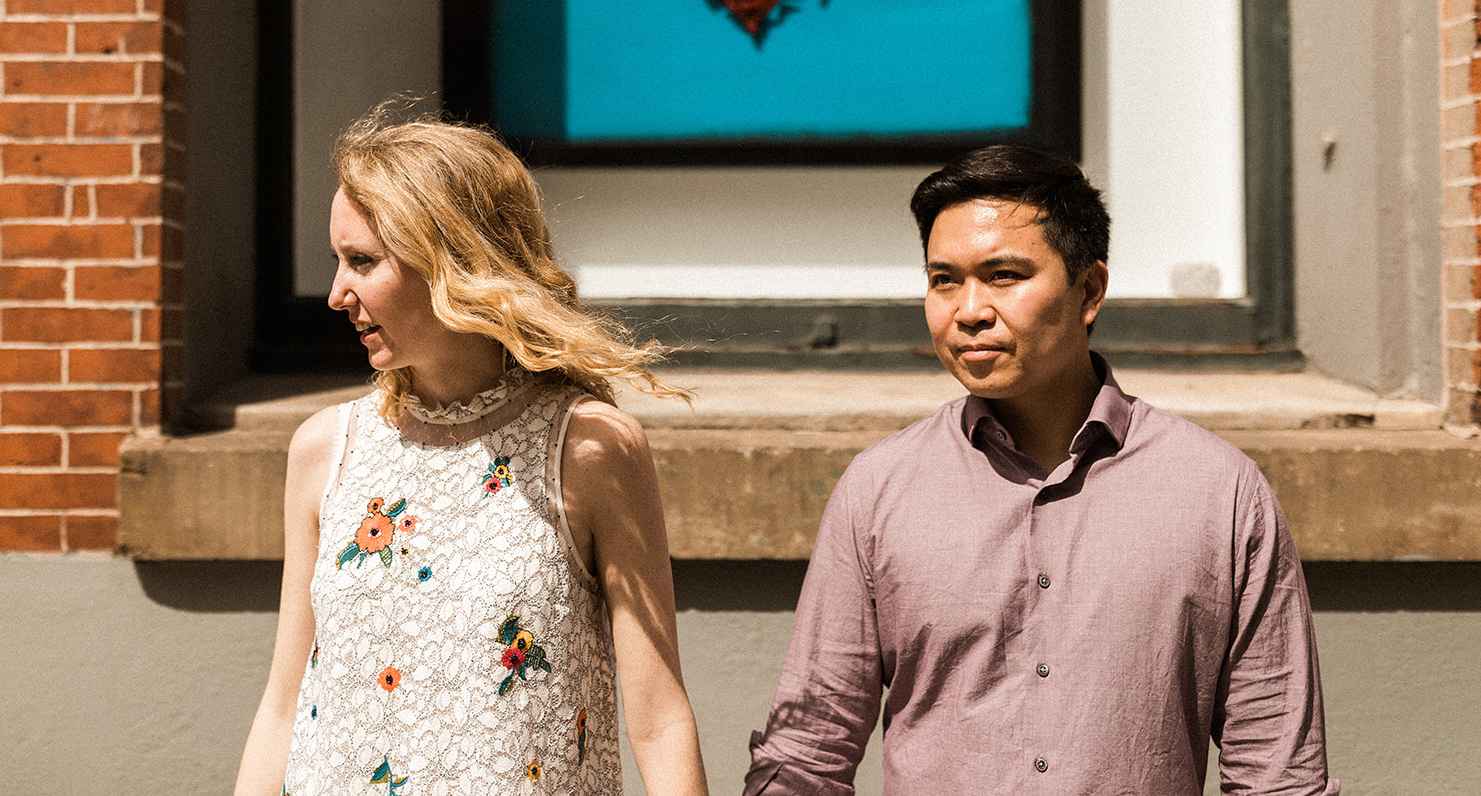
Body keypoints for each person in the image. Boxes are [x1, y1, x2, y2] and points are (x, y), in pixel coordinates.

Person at [744, 145, 1339, 795]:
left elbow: (1279, 778)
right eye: (944, 279)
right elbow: (806, 756)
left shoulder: (1220, 493)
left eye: (1003, 274)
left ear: (1089, 290)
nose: (968, 308)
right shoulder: (878, 490)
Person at [234, 102, 710, 796]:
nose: (337, 293)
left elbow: (659, 719)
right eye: (337, 261)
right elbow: (283, 704)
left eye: (362, 261)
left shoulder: (588, 448)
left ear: (452, 261)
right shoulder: (324, 451)